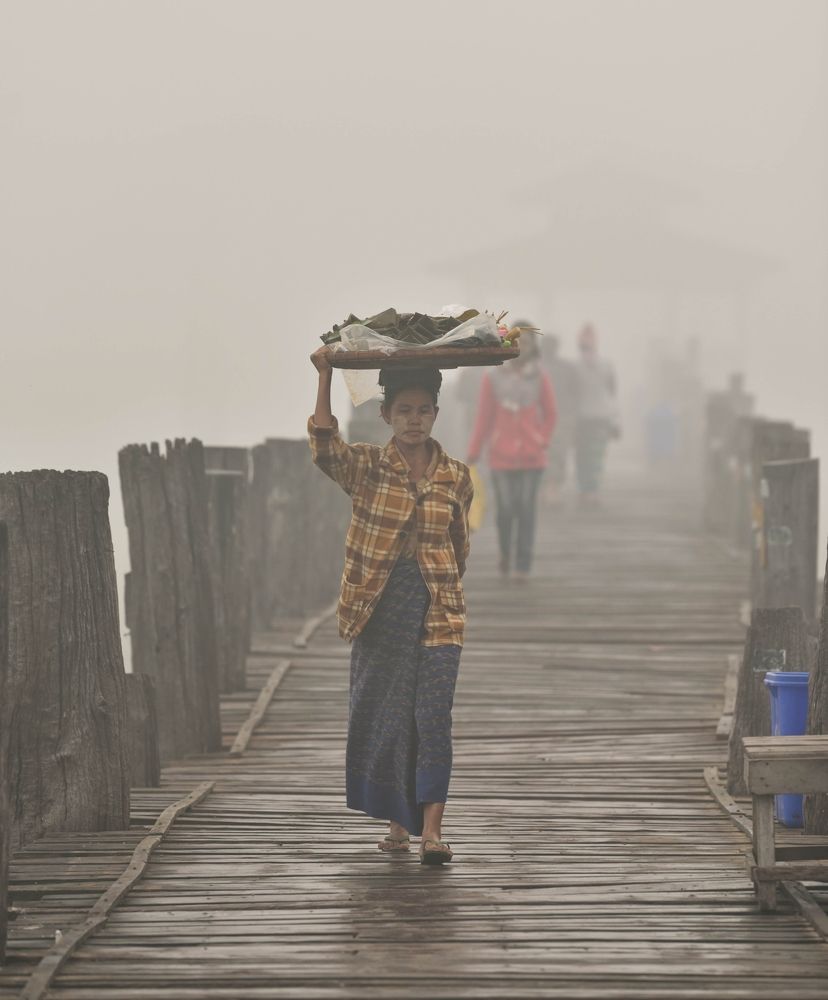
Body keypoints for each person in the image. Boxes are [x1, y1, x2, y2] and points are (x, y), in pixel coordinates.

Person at [308, 347, 474, 865]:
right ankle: (397, 823)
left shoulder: (456, 476)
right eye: (404, 411)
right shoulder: (367, 467)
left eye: (423, 410)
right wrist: (326, 376)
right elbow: (323, 445)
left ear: (436, 414)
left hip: (438, 607)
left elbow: (458, 544)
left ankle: (433, 831)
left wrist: (440, 589)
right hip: (379, 608)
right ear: (385, 415)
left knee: (433, 717)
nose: (414, 421)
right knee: (387, 714)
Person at [466, 331, 557, 580]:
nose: (520, 348)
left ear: (532, 347)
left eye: (525, 343)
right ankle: (505, 552)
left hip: (532, 455)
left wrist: (542, 439)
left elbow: (550, 413)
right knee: (506, 509)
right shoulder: (493, 377)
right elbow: (483, 417)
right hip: (500, 454)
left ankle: (523, 564)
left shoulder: (539, 376)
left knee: (527, 508)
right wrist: (474, 451)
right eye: (516, 343)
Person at [573, 323, 619, 503]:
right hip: (586, 417)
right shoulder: (577, 367)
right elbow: (612, 392)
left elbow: (612, 393)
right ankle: (587, 489)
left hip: (597, 416)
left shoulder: (605, 365)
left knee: (593, 455)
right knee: (586, 455)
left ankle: (590, 489)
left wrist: (615, 419)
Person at [541, 332, 577, 502]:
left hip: (559, 418)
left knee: (556, 454)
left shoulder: (565, 368)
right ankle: (549, 489)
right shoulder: (535, 367)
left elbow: (575, 393)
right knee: (547, 454)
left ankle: (551, 489)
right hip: (543, 418)